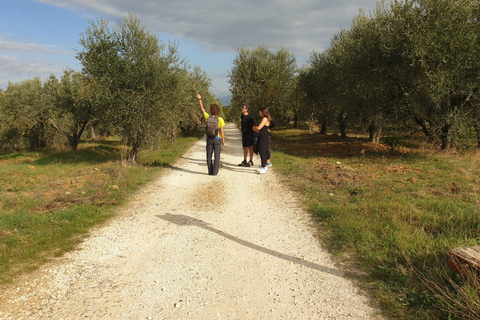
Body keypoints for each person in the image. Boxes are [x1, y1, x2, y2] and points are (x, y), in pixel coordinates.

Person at [196, 92, 225, 175]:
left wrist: (199, 99)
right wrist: (223, 140)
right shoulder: (220, 119)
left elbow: (202, 109)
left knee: (209, 156)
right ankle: (215, 172)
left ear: (211, 111)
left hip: (209, 139)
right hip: (217, 139)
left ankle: (210, 171)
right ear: (218, 111)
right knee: (217, 156)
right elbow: (222, 131)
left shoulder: (207, 117)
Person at [253, 107, 271, 174]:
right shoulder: (265, 118)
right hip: (263, 136)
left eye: (260, 112)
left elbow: (259, 127)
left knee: (262, 151)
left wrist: (254, 128)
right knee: (263, 151)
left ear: (262, 112)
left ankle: (263, 166)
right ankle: (264, 166)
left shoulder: (264, 119)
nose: (259, 113)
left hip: (264, 137)